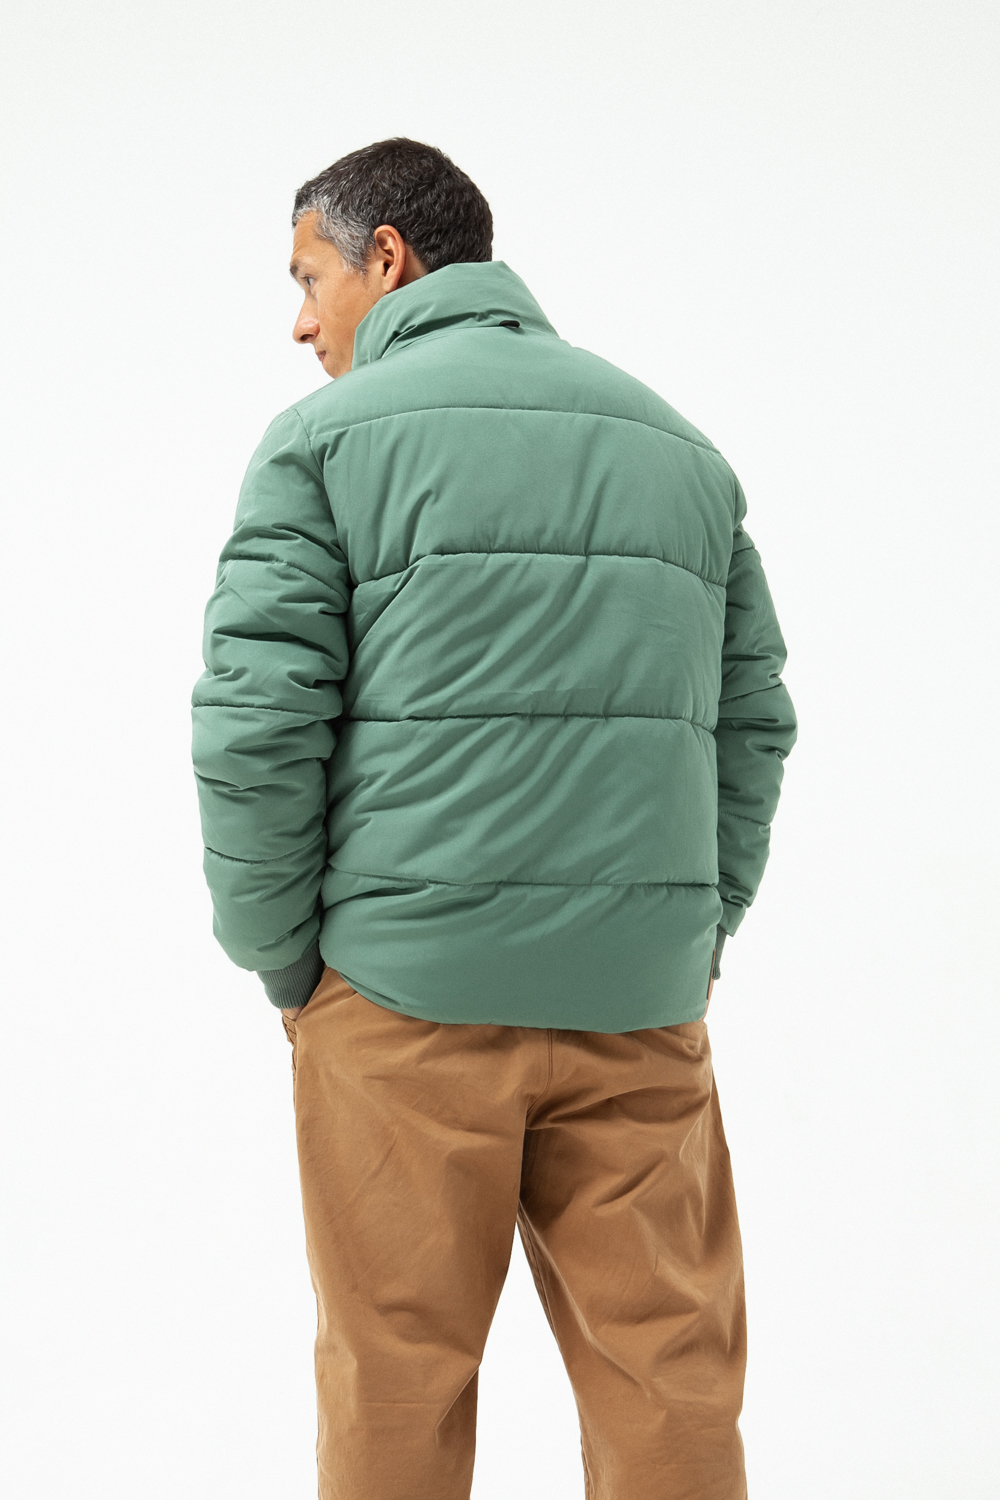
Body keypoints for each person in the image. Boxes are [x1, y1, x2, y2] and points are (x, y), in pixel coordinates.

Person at [191, 136, 797, 1500]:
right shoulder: (677, 446)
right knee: (672, 1387)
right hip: (636, 1010)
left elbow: (255, 728)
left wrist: (289, 963)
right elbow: (754, 721)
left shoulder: (322, 443)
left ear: (387, 258)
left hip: (402, 1000)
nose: (300, 321)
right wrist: (688, 935)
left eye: (308, 278)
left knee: (395, 1388)